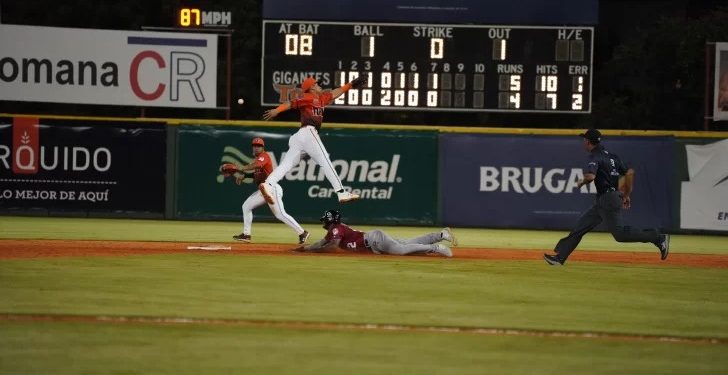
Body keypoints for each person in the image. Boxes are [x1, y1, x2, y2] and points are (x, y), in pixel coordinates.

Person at [543, 129, 670, 266]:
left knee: (620, 234)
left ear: (587, 142)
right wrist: (626, 194)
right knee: (580, 227)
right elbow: (629, 173)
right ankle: (560, 258)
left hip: (608, 200)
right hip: (605, 200)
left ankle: (658, 237)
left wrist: (581, 182)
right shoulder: (612, 157)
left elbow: (590, 176)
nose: (583, 143)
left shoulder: (594, 156)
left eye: (584, 140)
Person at [260, 75, 368, 205]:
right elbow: (290, 103)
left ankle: (268, 184)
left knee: (287, 164)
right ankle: (341, 192)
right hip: (308, 133)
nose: (320, 85)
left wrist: (350, 84)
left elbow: (335, 92)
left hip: (301, 138)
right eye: (317, 84)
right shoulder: (306, 97)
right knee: (325, 161)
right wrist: (277, 110)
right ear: (311, 87)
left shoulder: (321, 98)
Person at [220, 137, 309, 244]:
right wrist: (246, 176)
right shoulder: (257, 160)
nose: (256, 148)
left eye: (259, 146)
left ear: (263, 148)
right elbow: (257, 173)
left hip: (271, 188)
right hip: (263, 189)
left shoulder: (264, 156)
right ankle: (246, 235)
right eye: (255, 146)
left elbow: (257, 165)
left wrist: (242, 168)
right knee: (246, 206)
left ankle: (302, 232)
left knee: (280, 214)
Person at [293, 209, 456, 257]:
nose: (323, 222)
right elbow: (321, 243)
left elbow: (332, 247)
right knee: (408, 243)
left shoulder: (336, 228)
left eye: (324, 220)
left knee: (401, 250)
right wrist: (306, 249)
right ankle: (440, 235)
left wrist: (313, 252)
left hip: (374, 241)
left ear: (330, 220)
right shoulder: (333, 230)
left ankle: (436, 248)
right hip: (374, 241)